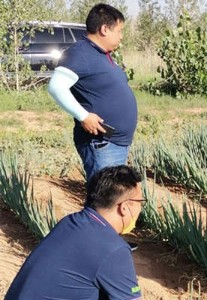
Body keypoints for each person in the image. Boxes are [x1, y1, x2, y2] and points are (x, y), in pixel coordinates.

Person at [5, 165, 144, 299]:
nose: (141, 208)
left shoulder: (71, 222)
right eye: (140, 202)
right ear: (124, 207)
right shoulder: (114, 249)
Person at [48, 3, 137, 182]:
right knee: (103, 199)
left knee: (110, 198)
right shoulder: (80, 53)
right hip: (101, 144)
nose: (121, 36)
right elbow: (56, 86)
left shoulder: (101, 54)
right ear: (105, 29)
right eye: (119, 31)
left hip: (113, 144)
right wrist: (83, 116)